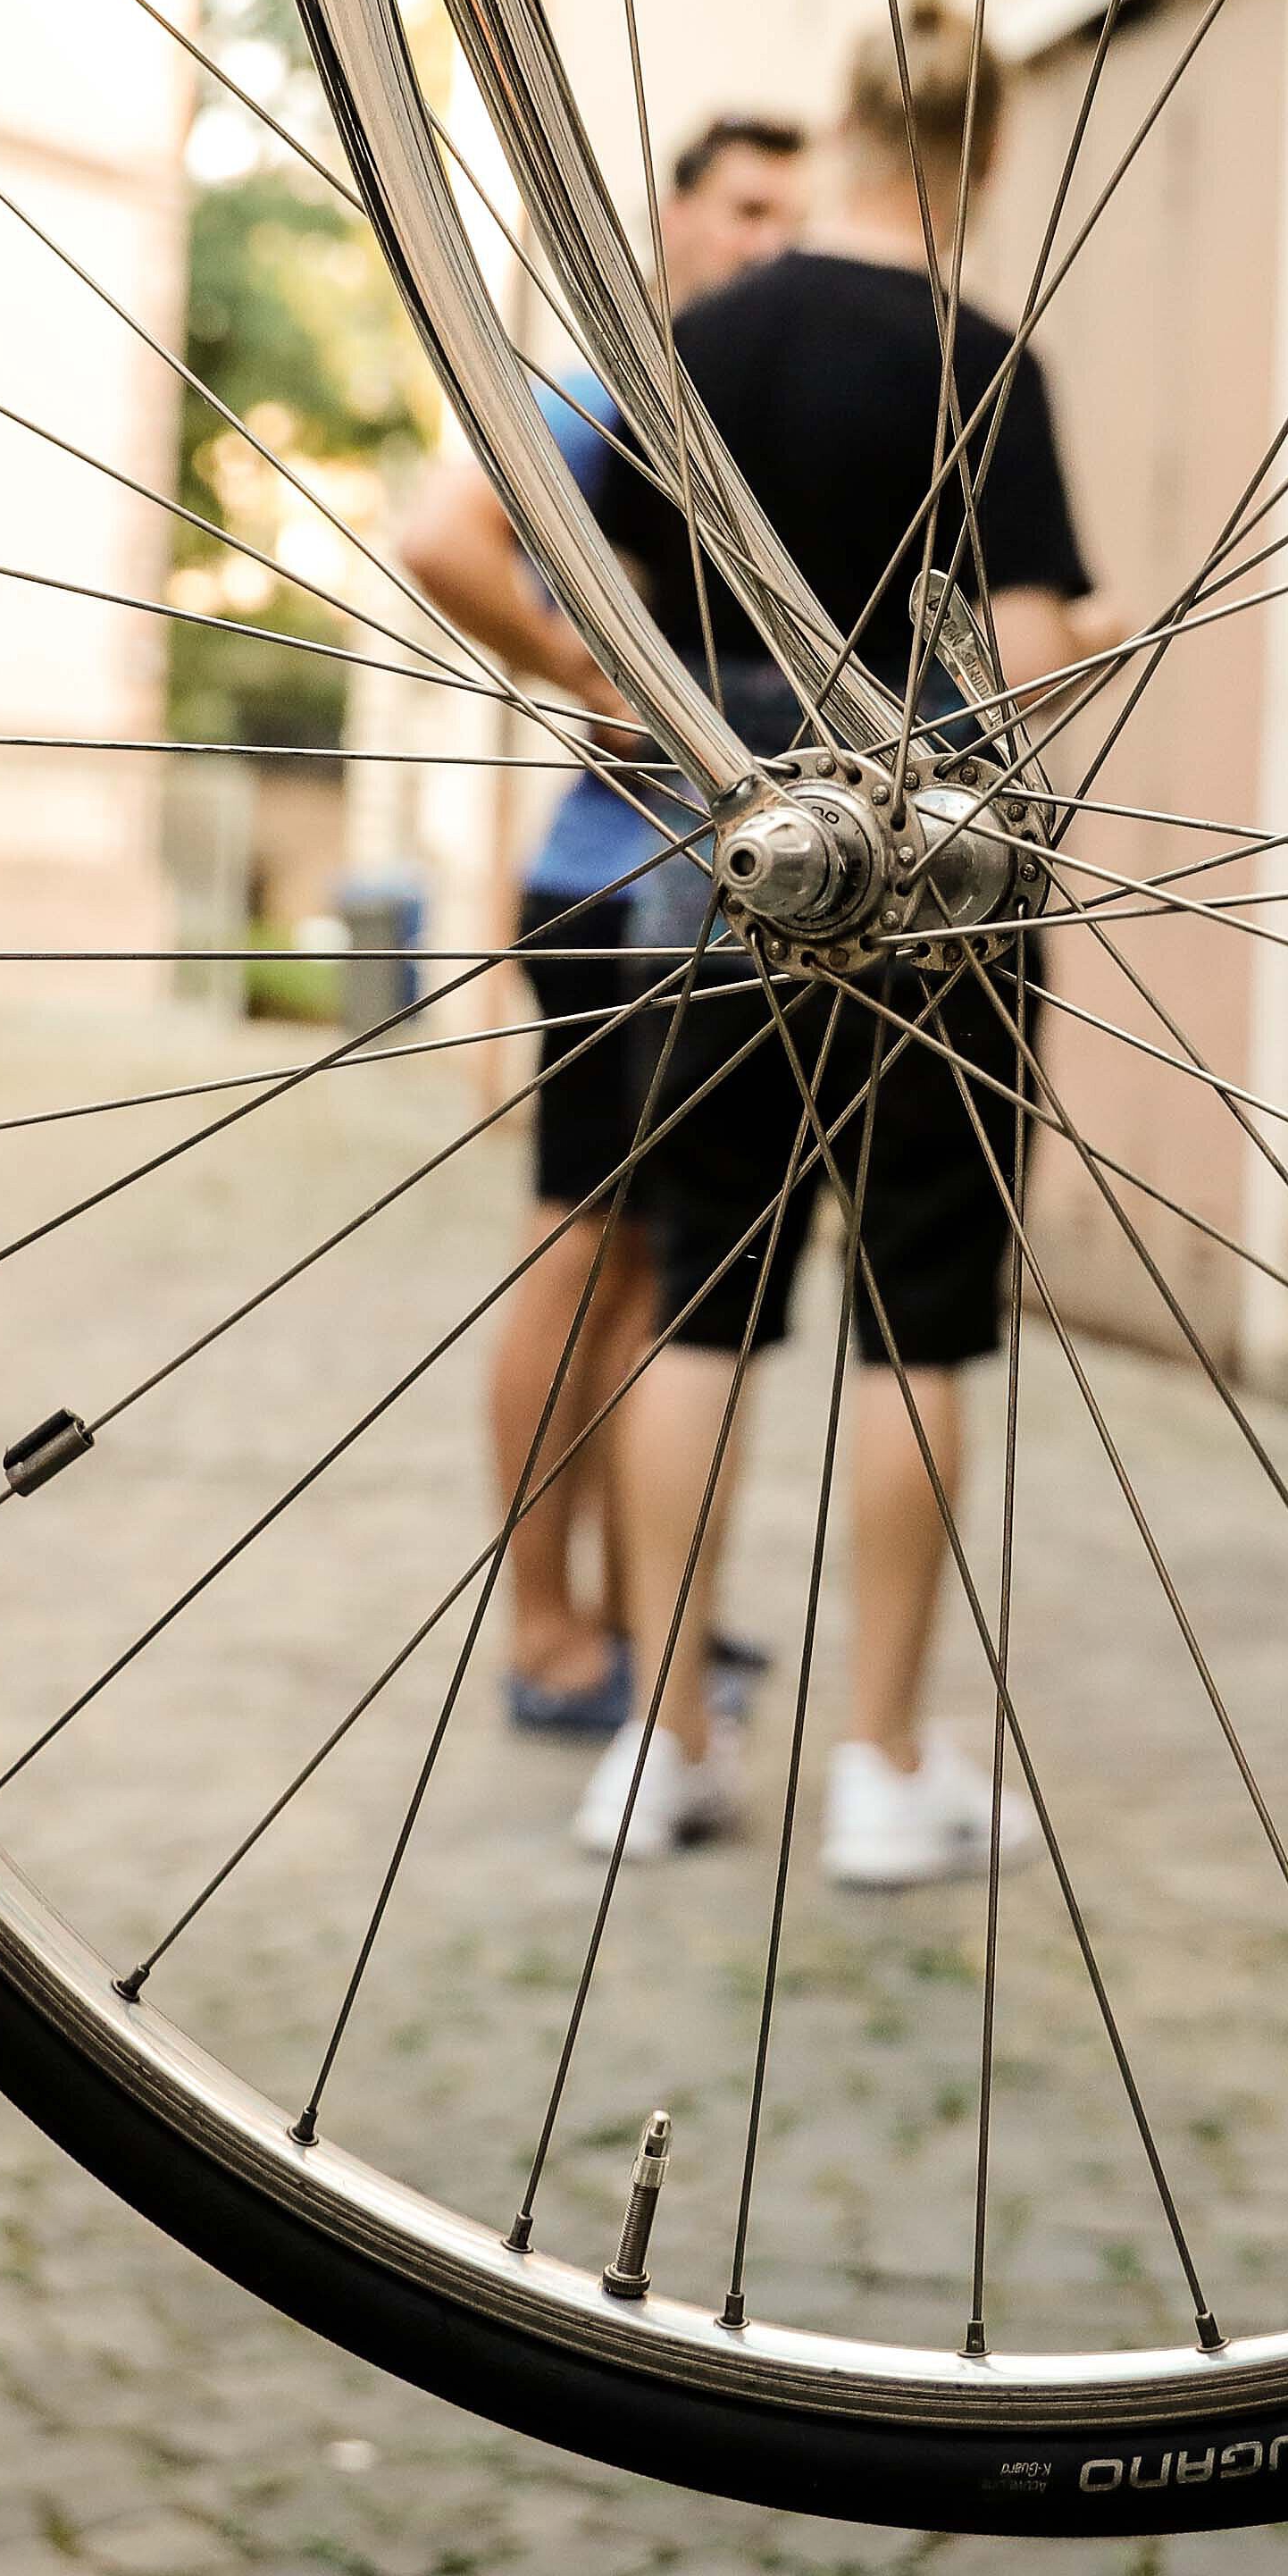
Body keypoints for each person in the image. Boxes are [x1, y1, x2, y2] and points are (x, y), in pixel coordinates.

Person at [574, 0, 1089, 1887]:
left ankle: (657, 1739)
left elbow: (620, 593)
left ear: (844, 126)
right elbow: (1026, 654)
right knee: (916, 1316)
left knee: (699, 1287)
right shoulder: (985, 358)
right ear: (979, 154)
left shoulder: (699, 338)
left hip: (734, 847)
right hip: (946, 866)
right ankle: (878, 1766)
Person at [393, 115, 808, 1729]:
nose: (768, 241)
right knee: (577, 1255)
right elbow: (439, 537)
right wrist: (589, 676)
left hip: (698, 904)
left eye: (792, 212)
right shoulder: (620, 396)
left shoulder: (730, 415)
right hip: (600, 890)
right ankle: (546, 1629)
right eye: (742, 209)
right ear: (674, 222)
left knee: (646, 1270)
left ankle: (646, 1611)